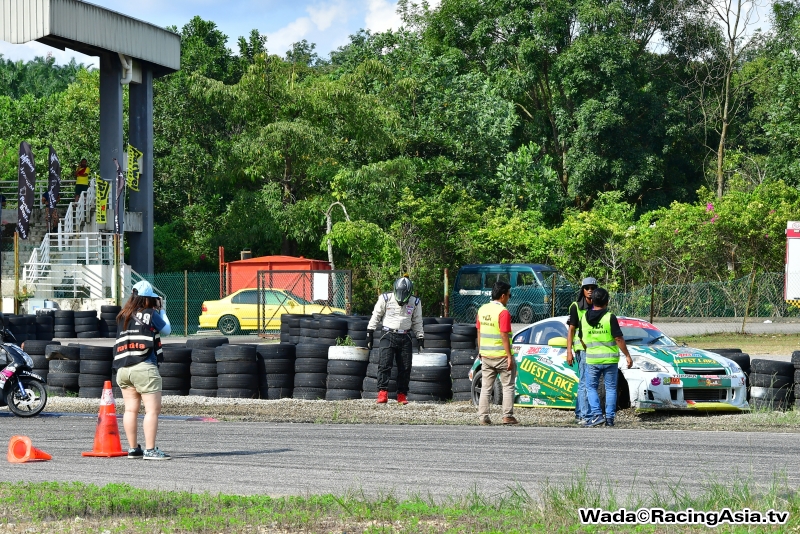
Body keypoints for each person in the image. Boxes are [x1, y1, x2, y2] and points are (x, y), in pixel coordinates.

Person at [113, 280, 172, 460]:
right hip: (144, 366)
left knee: (130, 410)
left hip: (123, 369)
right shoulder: (150, 314)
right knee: (152, 411)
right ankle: (150, 450)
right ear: (148, 299)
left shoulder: (123, 316)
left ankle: (133, 449)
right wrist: (161, 311)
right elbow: (167, 330)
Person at [580, 287, 633, 428]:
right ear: (607, 301)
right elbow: (618, 338)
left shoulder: (584, 317)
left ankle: (597, 415)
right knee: (610, 388)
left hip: (592, 360)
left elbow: (582, 339)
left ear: (592, 300)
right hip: (610, 360)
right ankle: (609, 418)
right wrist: (627, 355)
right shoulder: (609, 317)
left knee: (590, 387)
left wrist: (590, 350)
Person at [366, 276, 424, 405]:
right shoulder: (385, 298)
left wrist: (420, 337)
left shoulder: (415, 302)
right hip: (388, 333)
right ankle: (382, 392)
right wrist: (370, 332)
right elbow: (376, 315)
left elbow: (417, 321)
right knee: (384, 364)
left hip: (405, 336)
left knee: (405, 367)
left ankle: (402, 394)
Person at [475, 281, 519, 425]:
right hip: (501, 355)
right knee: (508, 386)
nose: (509, 298)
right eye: (509, 295)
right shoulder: (503, 312)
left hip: (486, 355)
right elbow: (504, 335)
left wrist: (480, 350)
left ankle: (483, 417)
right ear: (502, 296)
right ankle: (507, 415)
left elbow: (479, 331)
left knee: (486, 387)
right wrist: (509, 356)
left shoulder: (482, 309)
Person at [566, 277, 597, 425]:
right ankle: (585, 416)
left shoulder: (598, 306)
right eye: (587, 288)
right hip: (581, 349)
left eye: (592, 287)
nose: (590, 290)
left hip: (594, 349)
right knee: (586, 382)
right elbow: (571, 330)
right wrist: (569, 351)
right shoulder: (576, 306)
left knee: (586, 382)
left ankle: (579, 413)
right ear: (583, 290)